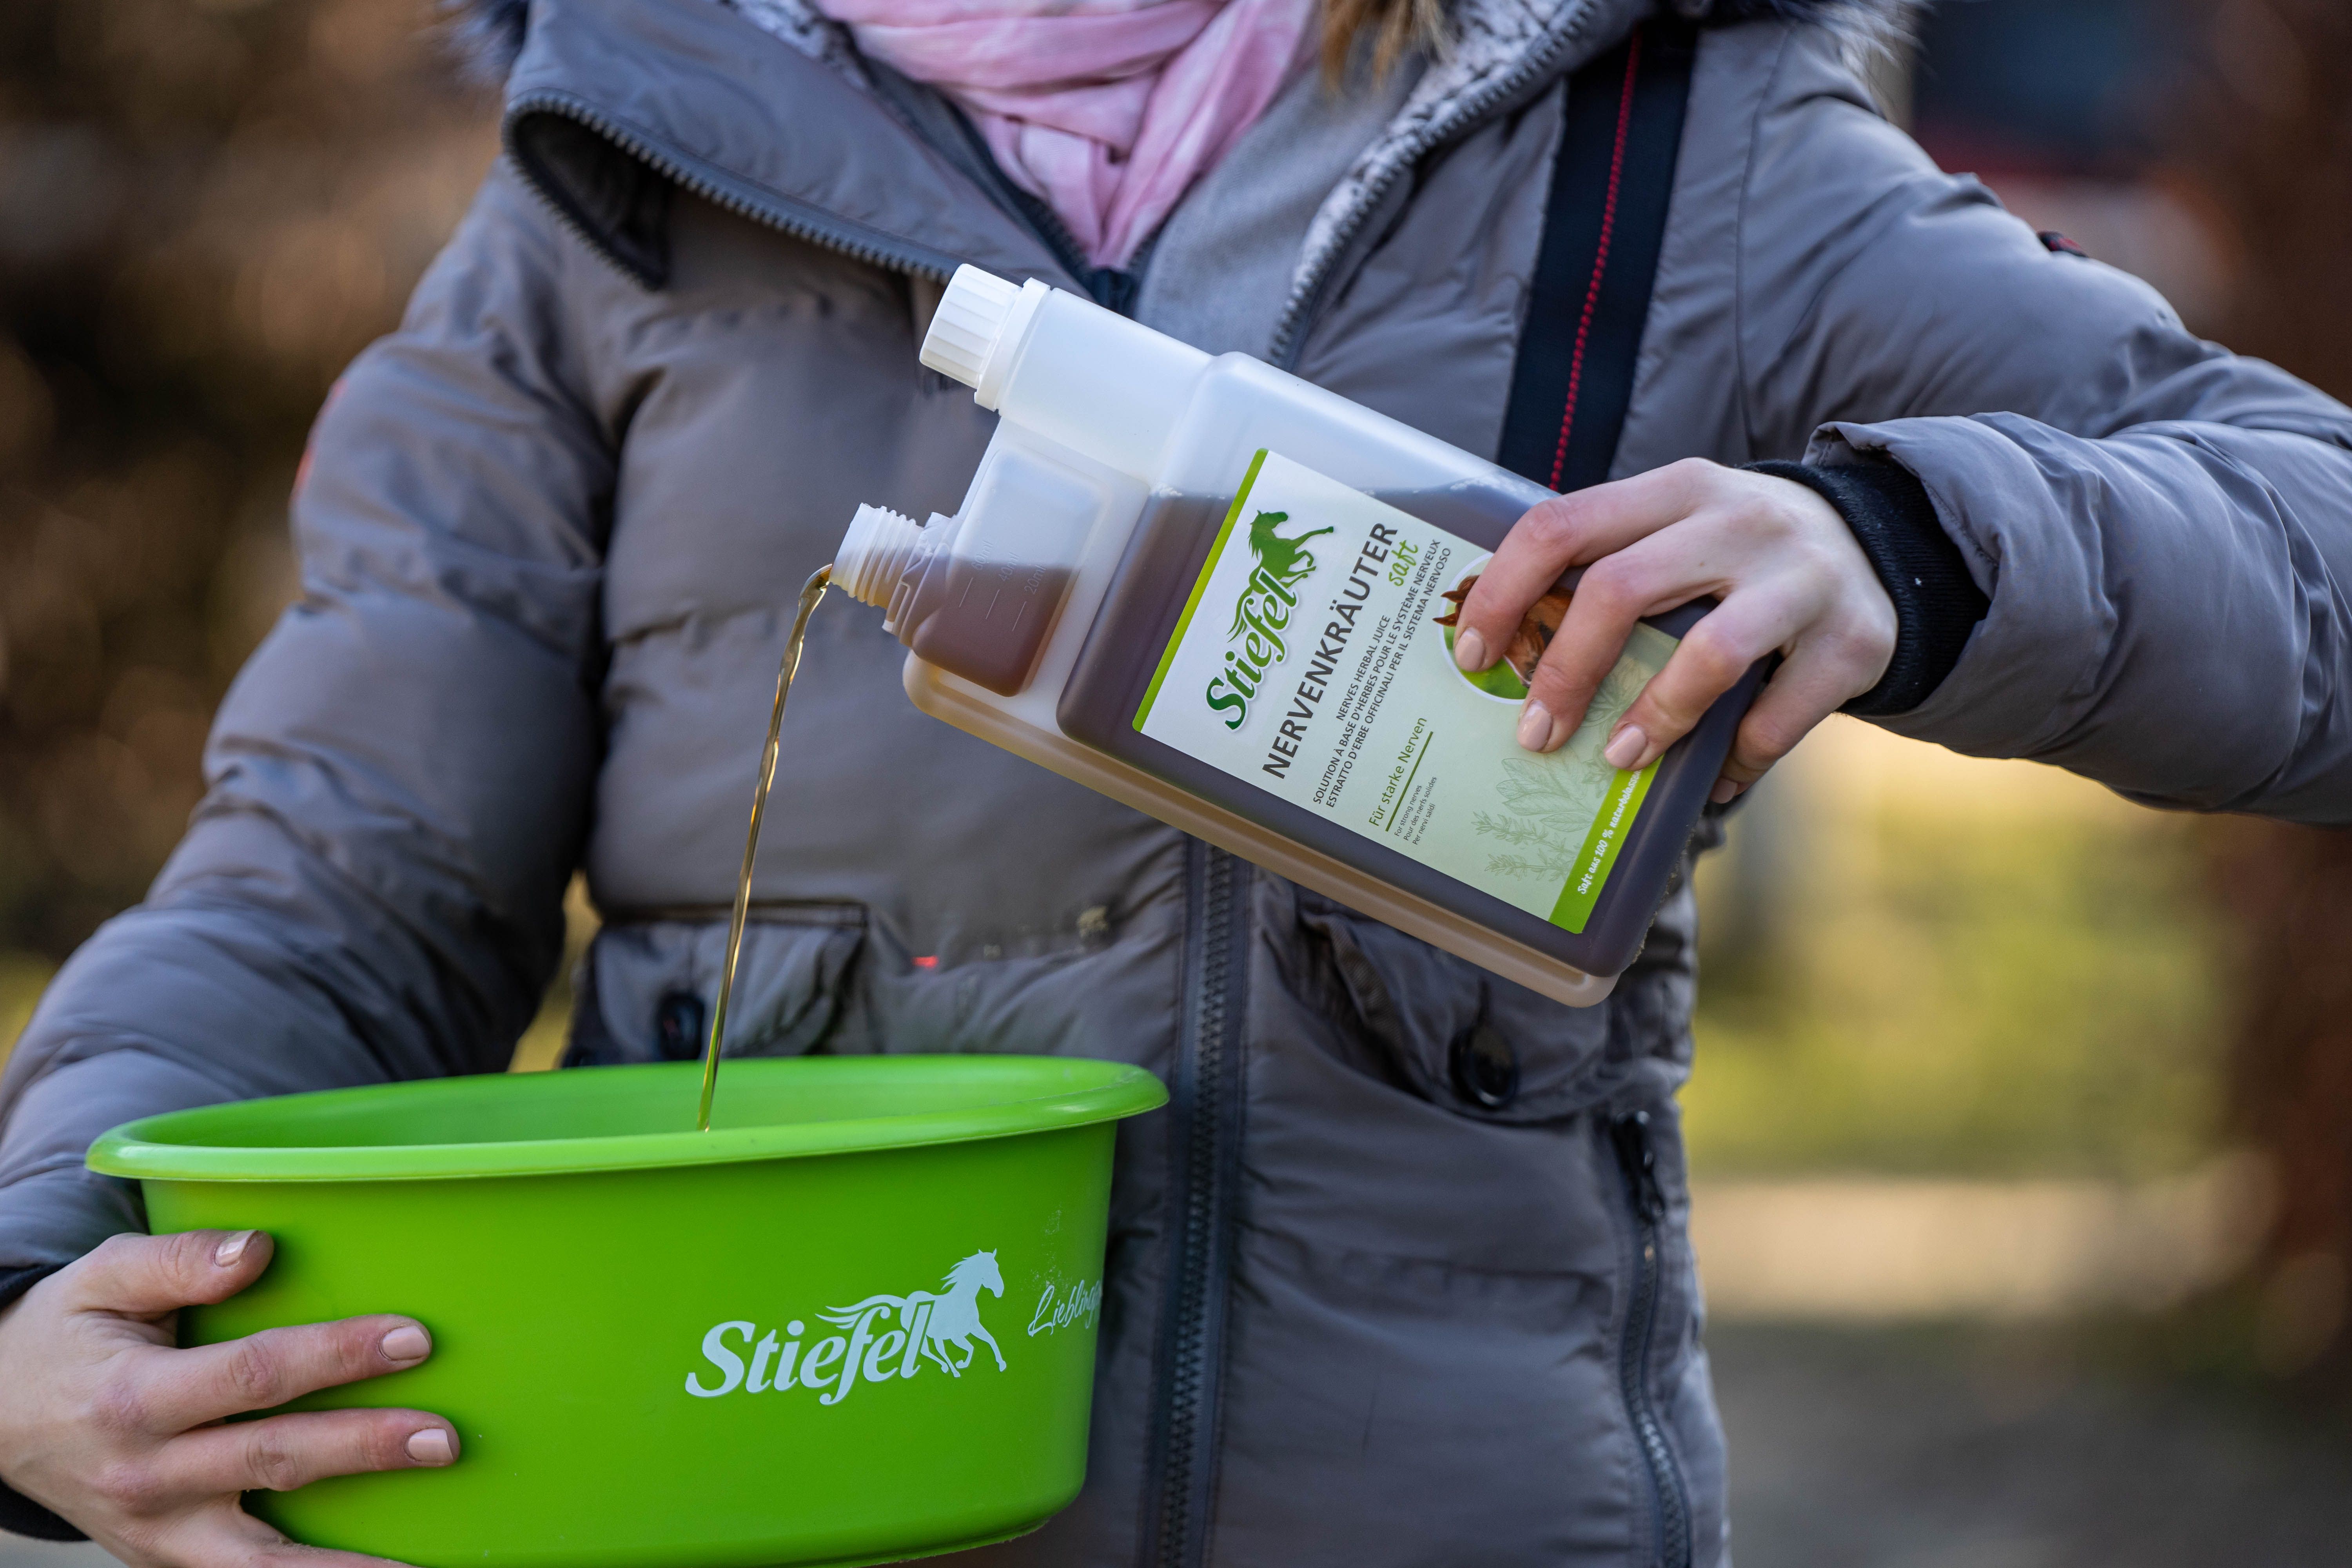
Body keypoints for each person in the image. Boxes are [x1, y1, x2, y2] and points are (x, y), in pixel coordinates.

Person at [3, 0, 2348, 1563]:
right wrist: (46, 1288)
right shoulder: (608, 205)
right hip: (739, 1504)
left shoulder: (1671, 157)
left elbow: (2308, 541)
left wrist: (1910, 543)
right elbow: (336, 886)